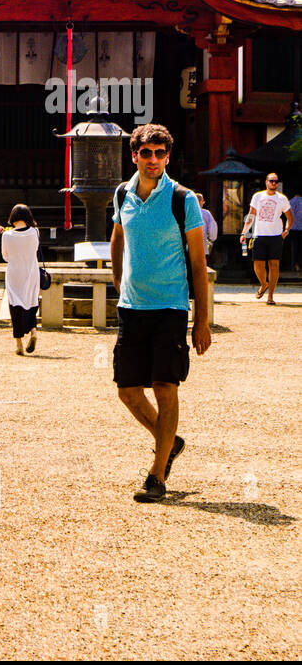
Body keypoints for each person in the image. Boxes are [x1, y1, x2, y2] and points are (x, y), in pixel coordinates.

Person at [110, 123, 211, 504]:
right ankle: (169, 441)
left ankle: (156, 476)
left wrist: (200, 320)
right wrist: (120, 282)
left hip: (170, 306)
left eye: (160, 153)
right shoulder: (122, 194)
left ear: (168, 157)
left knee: (165, 386)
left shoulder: (182, 199)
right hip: (132, 308)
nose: (153, 160)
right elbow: (117, 239)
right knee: (127, 390)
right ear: (134, 155)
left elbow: (198, 265)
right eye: (146, 153)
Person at [239, 172, 293, 304]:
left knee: (274, 265)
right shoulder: (258, 196)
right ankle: (263, 284)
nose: (274, 183)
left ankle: (270, 296)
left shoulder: (282, 199)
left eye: (276, 181)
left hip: (275, 235)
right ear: (266, 182)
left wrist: (286, 230)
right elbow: (251, 215)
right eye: (271, 181)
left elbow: (290, 217)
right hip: (259, 234)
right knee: (258, 264)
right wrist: (244, 232)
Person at [0, 204, 41, 355]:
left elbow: (5, 256)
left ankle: (19, 344)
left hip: (14, 273)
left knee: (15, 306)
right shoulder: (35, 232)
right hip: (31, 272)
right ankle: (34, 331)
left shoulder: (7, 235)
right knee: (31, 302)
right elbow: (35, 249)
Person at [195, 192, 218, 264]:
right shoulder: (206, 214)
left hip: (189, 247)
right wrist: (211, 240)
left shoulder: (186, 212)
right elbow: (212, 231)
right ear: (201, 201)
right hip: (203, 247)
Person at [289, 190, 302, 271]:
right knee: (300, 246)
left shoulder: (289, 202)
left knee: (294, 246)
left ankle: (294, 263)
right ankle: (299, 263)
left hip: (292, 227)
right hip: (301, 227)